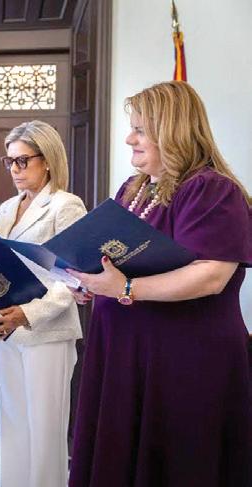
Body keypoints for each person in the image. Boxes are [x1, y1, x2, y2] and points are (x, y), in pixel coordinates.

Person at [67, 81, 252, 487]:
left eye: (140, 130)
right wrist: (89, 282)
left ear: (173, 131)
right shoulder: (134, 189)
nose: (129, 139)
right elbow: (115, 262)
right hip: (124, 356)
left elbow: (211, 274)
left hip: (183, 360)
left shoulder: (211, 189)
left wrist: (124, 289)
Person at [0, 120, 86, 487]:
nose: (15, 170)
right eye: (10, 161)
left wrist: (28, 314)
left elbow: (75, 279)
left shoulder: (65, 205)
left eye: (23, 161)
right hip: (6, 329)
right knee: (14, 425)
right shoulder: (6, 209)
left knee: (45, 432)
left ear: (46, 160)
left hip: (46, 330)